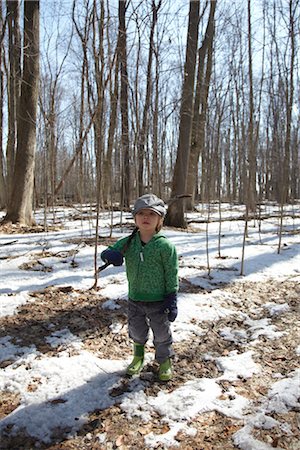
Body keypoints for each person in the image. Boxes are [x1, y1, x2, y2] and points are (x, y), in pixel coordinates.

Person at [101, 194, 179, 381]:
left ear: (160, 219)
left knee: (161, 333)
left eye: (151, 214)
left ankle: (165, 360)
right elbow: (110, 251)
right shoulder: (129, 242)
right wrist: (109, 255)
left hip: (159, 301)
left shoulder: (165, 246)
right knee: (136, 331)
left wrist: (172, 297)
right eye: (141, 213)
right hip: (135, 298)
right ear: (135, 217)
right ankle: (138, 356)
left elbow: (171, 272)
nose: (146, 217)